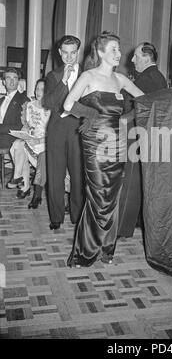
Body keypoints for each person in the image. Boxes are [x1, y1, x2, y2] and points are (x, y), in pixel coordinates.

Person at [63, 31, 144, 267]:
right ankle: (84, 251)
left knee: (113, 197)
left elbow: (146, 101)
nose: (119, 54)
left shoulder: (121, 79)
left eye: (119, 49)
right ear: (100, 52)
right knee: (98, 195)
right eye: (114, 50)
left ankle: (107, 249)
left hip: (118, 144)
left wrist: (126, 119)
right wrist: (92, 114)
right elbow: (69, 104)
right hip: (95, 143)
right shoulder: (88, 76)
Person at [118, 42, 168, 238]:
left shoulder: (149, 78)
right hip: (145, 136)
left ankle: (123, 228)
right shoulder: (155, 76)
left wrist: (124, 118)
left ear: (146, 58)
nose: (132, 59)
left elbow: (142, 106)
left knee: (131, 181)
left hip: (138, 136)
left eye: (136, 56)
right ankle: (136, 222)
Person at [43, 35, 84, 230]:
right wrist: (64, 81)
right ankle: (56, 218)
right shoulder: (53, 76)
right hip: (57, 130)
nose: (69, 57)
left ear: (78, 52)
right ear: (60, 53)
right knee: (55, 176)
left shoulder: (87, 74)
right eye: (65, 53)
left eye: (73, 53)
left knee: (78, 177)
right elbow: (49, 103)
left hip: (78, 130)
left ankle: (77, 217)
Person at [8, 79, 51, 204]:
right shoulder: (30, 105)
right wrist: (25, 134)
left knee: (18, 146)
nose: (38, 92)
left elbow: (54, 132)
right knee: (16, 145)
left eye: (42, 89)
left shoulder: (51, 108)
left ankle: (21, 181)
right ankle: (19, 179)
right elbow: (27, 125)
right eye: (37, 88)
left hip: (45, 143)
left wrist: (39, 139)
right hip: (31, 140)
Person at [0, 68, 29, 157]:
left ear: (18, 81)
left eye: (15, 78)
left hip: (10, 138)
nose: (12, 81)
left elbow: (20, 126)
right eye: (8, 78)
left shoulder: (24, 100)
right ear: (4, 82)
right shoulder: (1, 100)